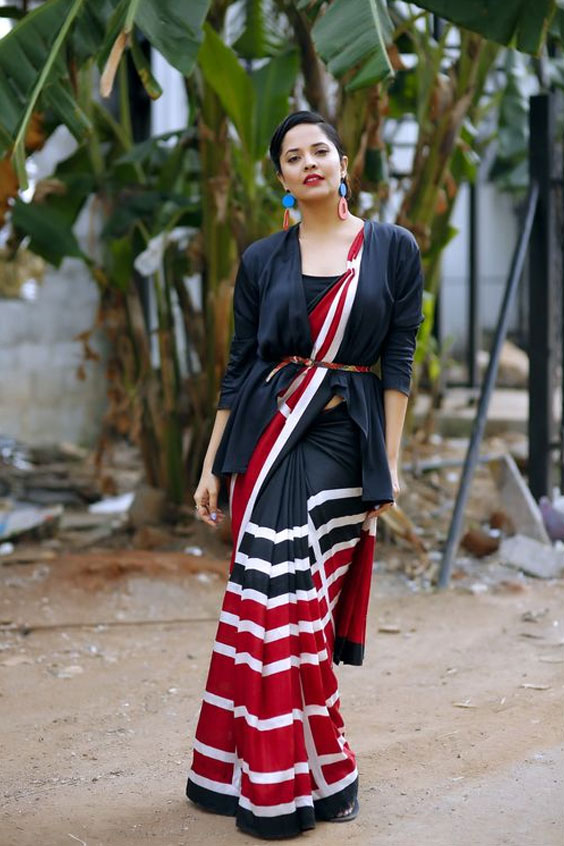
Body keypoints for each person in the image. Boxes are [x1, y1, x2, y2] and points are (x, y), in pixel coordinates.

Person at [186, 110, 424, 839]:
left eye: (320, 149)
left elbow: (399, 365)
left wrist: (388, 467)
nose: (309, 161)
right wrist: (210, 465)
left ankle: (312, 769)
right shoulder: (263, 259)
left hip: (345, 439)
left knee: (293, 595)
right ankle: (279, 774)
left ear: (344, 161)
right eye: (293, 156)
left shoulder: (392, 250)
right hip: (268, 433)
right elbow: (239, 369)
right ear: (282, 177)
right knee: (272, 598)